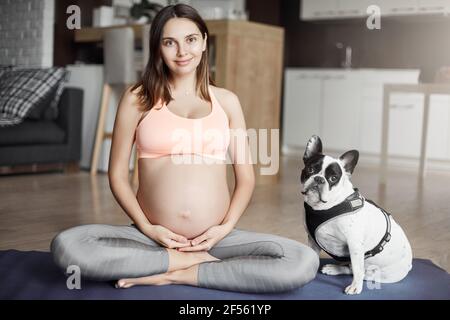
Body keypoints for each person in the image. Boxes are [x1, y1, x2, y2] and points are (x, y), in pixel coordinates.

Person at [50, 4, 318, 293]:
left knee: (301, 260)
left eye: (190, 39)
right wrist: (147, 227)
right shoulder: (137, 99)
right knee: (68, 247)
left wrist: (224, 229)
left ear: (204, 41)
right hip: (152, 237)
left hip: (216, 239)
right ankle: (186, 261)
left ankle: (175, 272)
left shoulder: (227, 101)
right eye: (169, 42)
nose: (182, 51)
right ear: (158, 48)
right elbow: (117, 175)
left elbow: (247, 178)